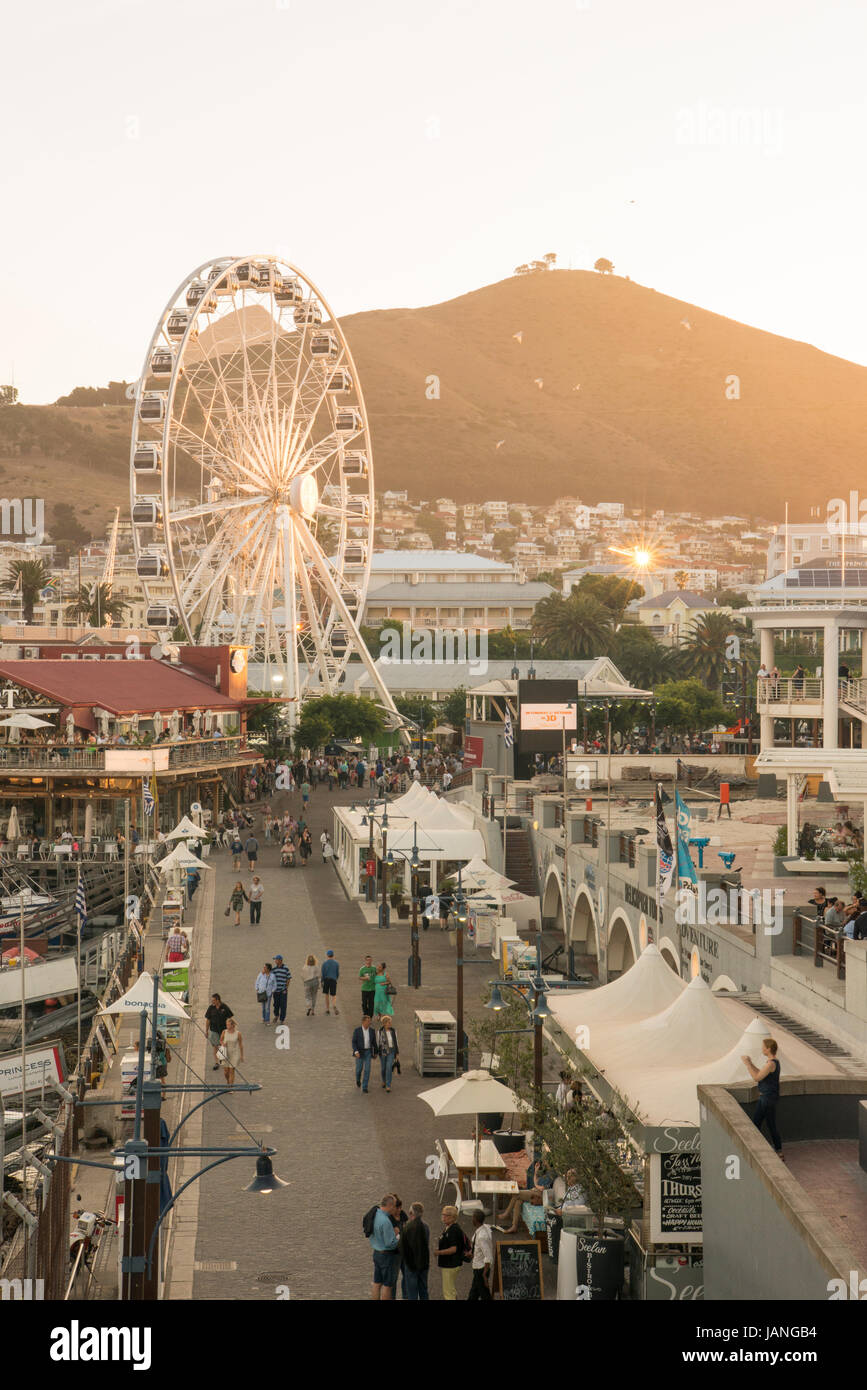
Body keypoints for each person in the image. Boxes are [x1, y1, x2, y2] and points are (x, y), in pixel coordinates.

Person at [743, 1038, 783, 1158]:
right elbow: (761, 1073)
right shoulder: (774, 1062)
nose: (762, 1048)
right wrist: (751, 1063)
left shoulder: (771, 1064)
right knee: (770, 1125)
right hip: (768, 1098)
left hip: (766, 1099)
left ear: (768, 1049)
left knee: (757, 1125)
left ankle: (755, 1151)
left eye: (763, 1046)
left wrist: (747, 1064)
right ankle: (779, 1151)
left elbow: (757, 1077)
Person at [369, 1194, 400, 1300]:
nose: (395, 1209)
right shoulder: (386, 1221)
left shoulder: (375, 1214)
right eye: (395, 1206)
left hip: (376, 1253)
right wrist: (398, 1239)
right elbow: (390, 1243)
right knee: (387, 1285)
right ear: (390, 1206)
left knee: (376, 1283)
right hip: (386, 1256)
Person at [400, 1202, 430, 1300]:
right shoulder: (426, 1227)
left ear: (411, 1213)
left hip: (411, 1265)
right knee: (423, 1291)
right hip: (423, 1263)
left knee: (412, 1293)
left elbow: (402, 1247)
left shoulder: (408, 1227)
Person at [437, 1205, 465, 1301]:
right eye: (442, 1215)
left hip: (450, 1264)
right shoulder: (449, 1227)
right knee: (451, 1290)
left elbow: (454, 1249)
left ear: (453, 1217)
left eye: (445, 1215)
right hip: (452, 1263)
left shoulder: (453, 1230)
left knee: (448, 1292)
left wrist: (439, 1252)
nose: (443, 1217)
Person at [467, 1211, 493, 1300]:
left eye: (473, 1218)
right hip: (478, 1268)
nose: (472, 1220)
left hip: (481, 1270)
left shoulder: (481, 1237)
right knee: (473, 1294)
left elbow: (488, 1256)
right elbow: (478, 1247)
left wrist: (484, 1275)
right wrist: (472, 1252)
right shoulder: (484, 1228)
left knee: (485, 1295)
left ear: (475, 1220)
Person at [205, 994, 233, 1071]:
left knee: (223, 1046)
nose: (212, 1002)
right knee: (215, 1046)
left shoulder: (224, 1007)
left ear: (218, 1000)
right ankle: (216, 1062)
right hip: (214, 1030)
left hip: (223, 1030)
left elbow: (230, 1017)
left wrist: (230, 1028)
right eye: (212, 1000)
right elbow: (208, 1020)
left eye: (213, 1000)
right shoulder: (211, 1008)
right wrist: (206, 1031)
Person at [352, 1014, 378, 1091]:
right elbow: (354, 1042)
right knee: (359, 1069)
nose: (369, 1023)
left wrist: (375, 1052)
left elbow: (374, 1043)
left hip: (368, 1052)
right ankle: (358, 1079)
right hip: (359, 1052)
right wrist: (356, 1051)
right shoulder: (357, 1030)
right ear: (363, 1022)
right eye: (367, 1021)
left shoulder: (372, 1031)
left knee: (367, 1069)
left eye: (370, 1021)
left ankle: (365, 1086)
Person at [219, 1016, 244, 1086]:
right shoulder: (224, 1032)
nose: (227, 1026)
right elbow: (220, 1040)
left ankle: (231, 1086)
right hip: (225, 1053)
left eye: (228, 1025)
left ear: (232, 1025)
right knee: (226, 1072)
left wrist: (241, 1056)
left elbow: (241, 1045)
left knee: (232, 1071)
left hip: (234, 1053)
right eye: (226, 1024)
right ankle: (228, 1082)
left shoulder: (238, 1033)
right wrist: (222, 1044)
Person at [377, 1016, 399, 1092]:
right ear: (384, 1023)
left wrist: (397, 1053)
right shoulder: (380, 1031)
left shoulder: (393, 1031)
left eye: (390, 1022)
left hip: (391, 1051)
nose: (390, 1024)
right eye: (388, 1022)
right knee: (383, 1068)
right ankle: (383, 1080)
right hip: (383, 1052)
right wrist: (377, 1052)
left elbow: (396, 1042)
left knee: (389, 1068)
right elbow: (378, 1042)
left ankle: (388, 1085)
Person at [271, 954, 291, 1023]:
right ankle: (276, 1015)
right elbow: (271, 979)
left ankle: (282, 1019)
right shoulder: (274, 969)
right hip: (276, 990)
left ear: (280, 960)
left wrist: (286, 987)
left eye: (276, 960)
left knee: (283, 1005)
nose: (275, 961)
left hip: (283, 990)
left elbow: (288, 978)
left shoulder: (286, 968)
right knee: (276, 1005)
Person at [320, 949, 340, 1015]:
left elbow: (323, 973)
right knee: (333, 995)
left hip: (326, 980)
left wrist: (322, 981)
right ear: (333, 955)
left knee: (326, 995)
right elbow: (337, 973)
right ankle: (334, 1005)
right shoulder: (336, 963)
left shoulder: (324, 963)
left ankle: (327, 1009)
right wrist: (336, 978)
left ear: (327, 955)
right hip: (333, 980)